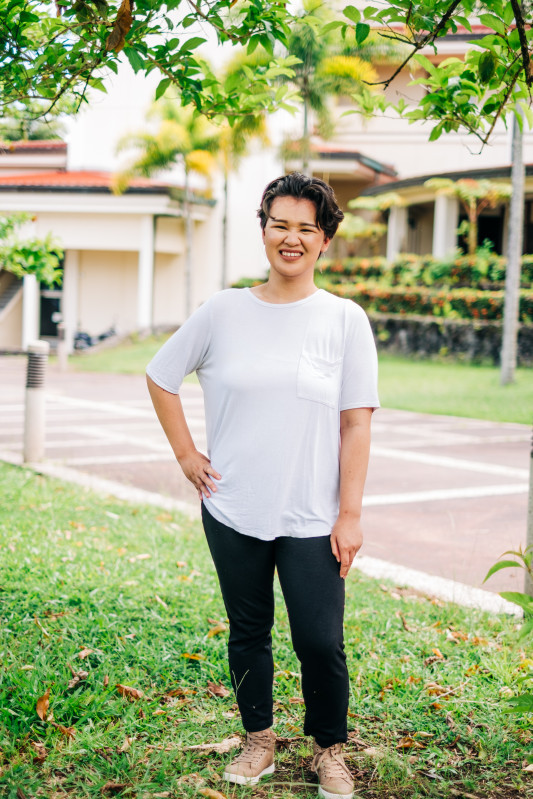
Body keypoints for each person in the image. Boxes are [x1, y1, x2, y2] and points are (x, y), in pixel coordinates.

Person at [146, 172, 379, 799]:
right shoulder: (223, 311)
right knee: (247, 630)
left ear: (325, 239)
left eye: (307, 227)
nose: (292, 238)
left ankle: (329, 748)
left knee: (320, 641)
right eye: (281, 224)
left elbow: (356, 423)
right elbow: (161, 374)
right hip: (233, 508)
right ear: (264, 229)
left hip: (312, 516)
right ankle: (258, 741)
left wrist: (349, 514)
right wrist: (187, 453)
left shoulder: (344, 319)